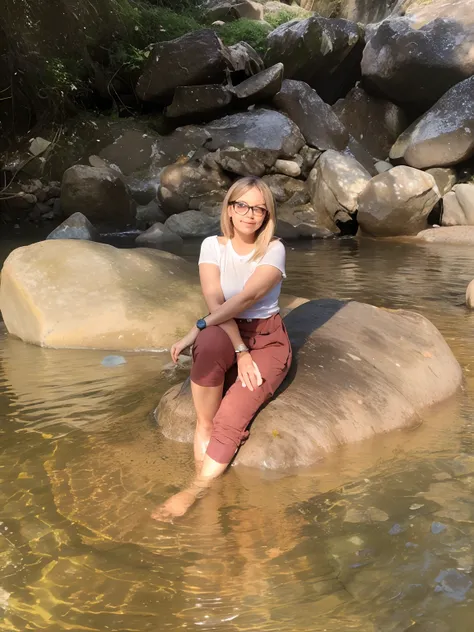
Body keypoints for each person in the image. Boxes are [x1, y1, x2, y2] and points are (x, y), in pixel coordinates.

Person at [152, 176, 292, 521]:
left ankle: (195, 490)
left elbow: (248, 298)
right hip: (227, 329)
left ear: (266, 214)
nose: (250, 214)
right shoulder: (211, 246)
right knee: (210, 354)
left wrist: (196, 327)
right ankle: (207, 470)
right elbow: (215, 300)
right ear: (229, 209)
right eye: (242, 205)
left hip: (267, 338)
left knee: (230, 416)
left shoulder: (274, 248)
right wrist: (237, 348)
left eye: (259, 208)